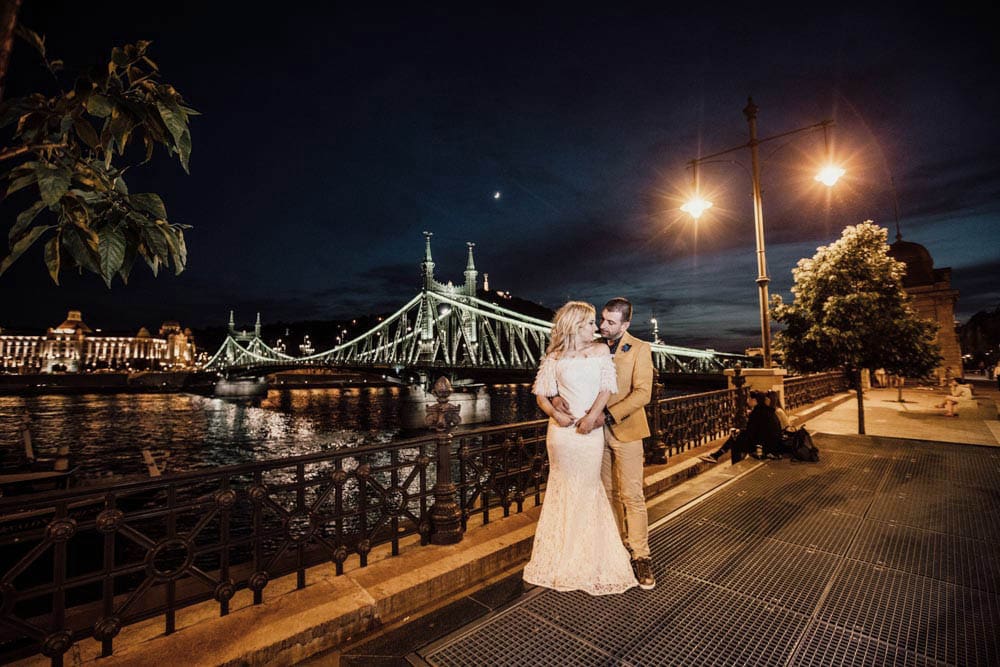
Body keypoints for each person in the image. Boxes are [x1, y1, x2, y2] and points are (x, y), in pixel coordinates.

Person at [523, 301, 637, 595]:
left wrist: (591, 418)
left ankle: (587, 557)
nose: (596, 327)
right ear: (574, 325)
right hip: (561, 435)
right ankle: (560, 556)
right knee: (562, 489)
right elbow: (541, 395)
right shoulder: (555, 355)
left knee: (588, 489)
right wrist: (555, 412)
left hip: (588, 434)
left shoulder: (600, 351)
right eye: (589, 323)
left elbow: (605, 389)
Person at [551, 296, 655, 590]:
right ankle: (615, 550)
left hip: (625, 429)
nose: (602, 326)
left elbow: (643, 393)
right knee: (606, 493)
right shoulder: (588, 346)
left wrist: (606, 416)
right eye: (602, 320)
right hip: (592, 437)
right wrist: (557, 397)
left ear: (626, 324)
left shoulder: (640, 349)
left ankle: (641, 555)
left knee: (631, 495)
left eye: (610, 322)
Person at [700, 390, 783, 462]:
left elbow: (751, 432)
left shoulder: (757, 412)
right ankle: (716, 455)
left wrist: (740, 433)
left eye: (749, 398)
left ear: (754, 400)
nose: (747, 400)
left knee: (736, 441)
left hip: (765, 447)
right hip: (772, 445)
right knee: (737, 437)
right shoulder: (765, 410)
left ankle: (722, 458)